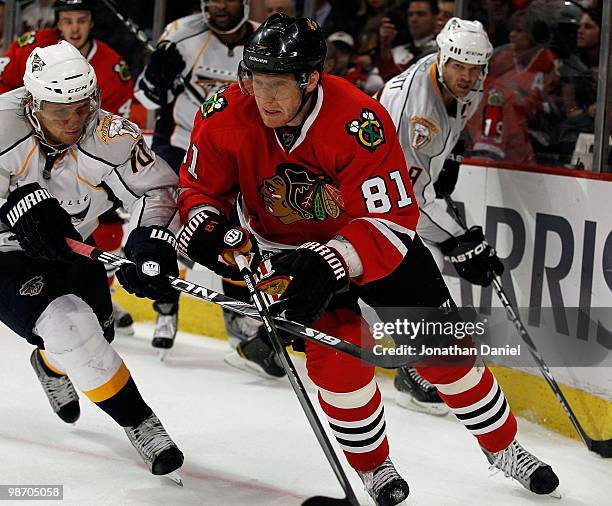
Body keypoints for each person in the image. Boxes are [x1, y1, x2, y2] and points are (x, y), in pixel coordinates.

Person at [177, 14, 559, 503]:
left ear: (310, 78)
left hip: (374, 245)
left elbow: (393, 219)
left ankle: (505, 448)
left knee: (446, 356)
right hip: (287, 255)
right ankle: (375, 468)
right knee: (339, 364)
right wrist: (206, 224)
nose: (263, 97)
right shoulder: (225, 113)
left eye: (277, 85)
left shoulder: (360, 121)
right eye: (255, 80)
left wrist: (332, 258)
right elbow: (198, 189)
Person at [0, 41, 183, 480]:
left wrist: (150, 242)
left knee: (98, 334)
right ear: (31, 101)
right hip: (3, 255)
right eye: (58, 109)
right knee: (70, 329)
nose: (72, 121)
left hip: (69, 246)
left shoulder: (110, 135)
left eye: (81, 108)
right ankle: (142, 424)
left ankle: (48, 364)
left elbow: (156, 191)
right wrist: (12, 206)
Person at [0, 0, 137, 336]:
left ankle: (96, 293)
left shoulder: (112, 63)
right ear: (58, 23)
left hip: (82, 156)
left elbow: (113, 123)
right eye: (67, 21)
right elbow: (7, 96)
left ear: (92, 22)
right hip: (30, 149)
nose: (74, 28)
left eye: (81, 20)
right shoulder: (28, 47)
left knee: (98, 226)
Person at [134, 0, 261, 351]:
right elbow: (144, 97)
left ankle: (240, 312)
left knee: (239, 230)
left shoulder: (265, 41)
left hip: (232, 153)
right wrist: (158, 75)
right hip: (178, 145)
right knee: (169, 225)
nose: (219, 5)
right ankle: (166, 305)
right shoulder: (179, 36)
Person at [377, 0, 439, 80]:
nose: (413, 19)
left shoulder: (440, 50)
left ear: (435, 18)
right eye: (410, 15)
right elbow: (388, 81)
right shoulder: (397, 50)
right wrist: (385, 46)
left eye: (420, 14)